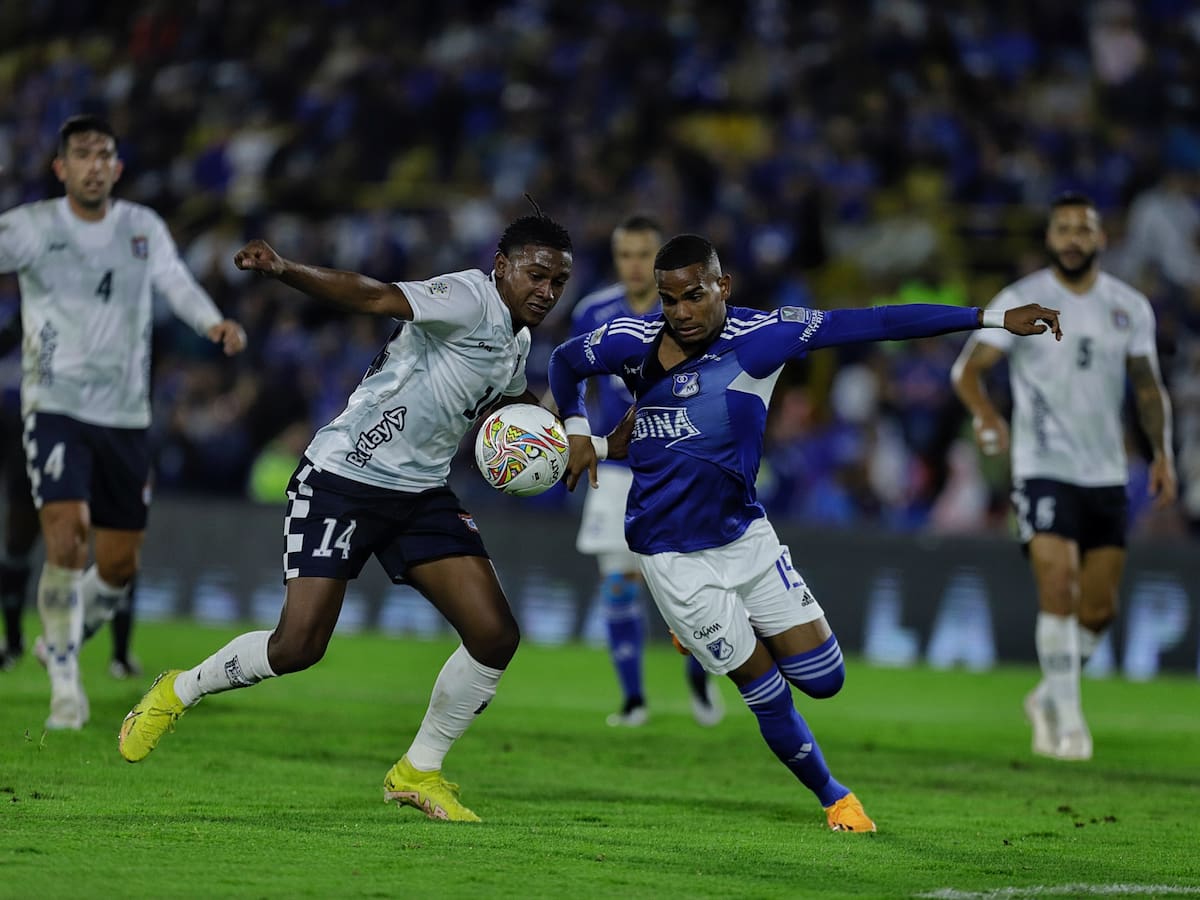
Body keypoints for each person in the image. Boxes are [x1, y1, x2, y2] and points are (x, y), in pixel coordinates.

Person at [548, 233, 1061, 831]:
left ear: (723, 286)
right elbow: (565, 362)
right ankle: (835, 797)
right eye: (669, 299)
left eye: (694, 296)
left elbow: (878, 323)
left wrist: (992, 319)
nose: (681, 312)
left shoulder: (766, 337)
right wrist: (578, 428)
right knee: (764, 690)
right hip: (671, 557)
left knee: (825, 679)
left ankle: (708, 635)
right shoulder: (630, 341)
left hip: (745, 536)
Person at [119, 206, 588, 824]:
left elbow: (511, 402)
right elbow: (373, 296)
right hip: (343, 478)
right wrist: (285, 269)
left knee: (495, 635)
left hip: (419, 494)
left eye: (558, 282)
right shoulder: (467, 298)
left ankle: (418, 771)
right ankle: (180, 689)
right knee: (298, 646)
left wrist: (571, 436)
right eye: (537, 275)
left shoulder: (515, 341)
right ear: (501, 266)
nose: (547, 291)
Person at [0, 115, 247, 729]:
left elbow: (175, 282)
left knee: (118, 567)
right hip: (55, 405)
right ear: (61, 168)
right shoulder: (31, 227)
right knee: (66, 535)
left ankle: (59, 639)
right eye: (82, 154)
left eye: (104, 154)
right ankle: (65, 685)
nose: (94, 164)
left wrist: (211, 321)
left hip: (125, 415)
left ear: (117, 167)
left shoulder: (142, 226)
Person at [951, 191, 1176, 762]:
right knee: (1058, 588)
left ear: (1100, 238)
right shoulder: (1021, 299)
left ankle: (1047, 695)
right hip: (1041, 467)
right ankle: (1072, 725)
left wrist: (1163, 454)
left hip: (1105, 472)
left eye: (1083, 229)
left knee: (1099, 610)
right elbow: (967, 370)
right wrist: (987, 416)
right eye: (1063, 229)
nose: (1073, 239)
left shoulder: (1128, 306)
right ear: (1050, 238)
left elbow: (1148, 387)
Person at [569, 214, 722, 728]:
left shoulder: (686, 310)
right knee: (618, 584)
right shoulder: (593, 312)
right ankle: (634, 700)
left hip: (679, 465)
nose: (633, 265)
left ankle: (700, 673)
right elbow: (572, 380)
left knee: (691, 588)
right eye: (624, 254)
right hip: (617, 469)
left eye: (643, 255)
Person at [0, 312, 39, 670]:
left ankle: (62, 648)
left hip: (66, 430)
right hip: (20, 432)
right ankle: (12, 640)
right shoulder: (24, 316)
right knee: (16, 540)